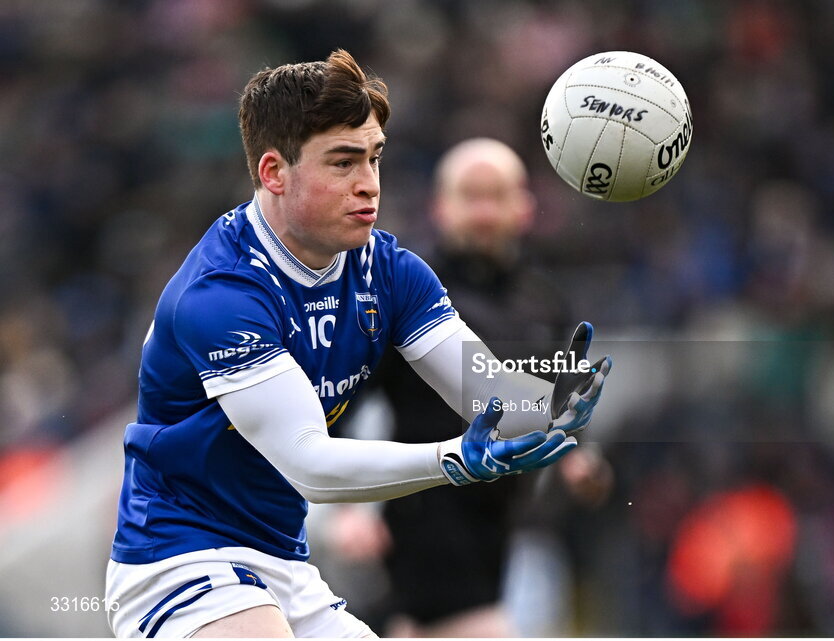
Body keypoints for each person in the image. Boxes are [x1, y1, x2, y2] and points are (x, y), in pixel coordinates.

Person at [104, 49, 611, 639]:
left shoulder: (390, 271)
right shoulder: (222, 295)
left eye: (374, 158)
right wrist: (452, 461)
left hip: (286, 565)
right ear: (274, 173)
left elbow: (485, 393)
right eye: (343, 162)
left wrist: (548, 404)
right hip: (179, 559)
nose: (368, 184)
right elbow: (309, 465)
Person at [326, 138, 614, 637]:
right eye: (470, 195)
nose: (484, 211)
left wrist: (579, 461)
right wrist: (345, 510)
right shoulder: (407, 292)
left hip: (508, 532)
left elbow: (561, 408)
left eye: (496, 195)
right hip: (423, 524)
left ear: (524, 207)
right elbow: (344, 401)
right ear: (441, 206)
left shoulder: (545, 304)